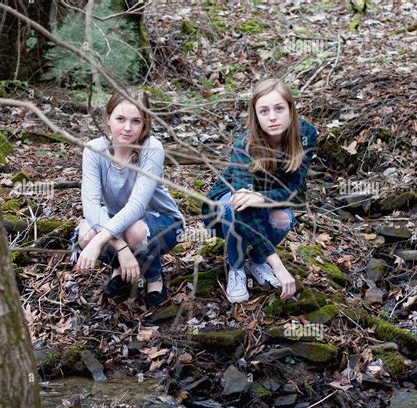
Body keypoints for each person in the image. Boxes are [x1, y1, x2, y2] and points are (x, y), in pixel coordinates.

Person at [202, 77, 317, 304]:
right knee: (235, 207)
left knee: (284, 218)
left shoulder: (306, 134)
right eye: (264, 111)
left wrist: (261, 197)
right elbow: (242, 208)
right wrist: (280, 266)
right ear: (255, 115)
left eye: (279, 108)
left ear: (291, 110)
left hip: (266, 199)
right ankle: (236, 269)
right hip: (221, 210)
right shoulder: (244, 145)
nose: (272, 117)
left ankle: (256, 261)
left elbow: (294, 191)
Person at [74, 87, 185, 308]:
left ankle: (153, 277)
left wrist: (104, 240)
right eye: (120, 119)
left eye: (136, 121)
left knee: (134, 231)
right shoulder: (94, 150)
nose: (127, 128)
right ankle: (122, 267)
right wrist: (120, 247)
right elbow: (91, 205)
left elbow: (136, 206)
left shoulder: (152, 149)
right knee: (86, 235)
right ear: (108, 119)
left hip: (162, 222)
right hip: (120, 222)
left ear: (144, 123)